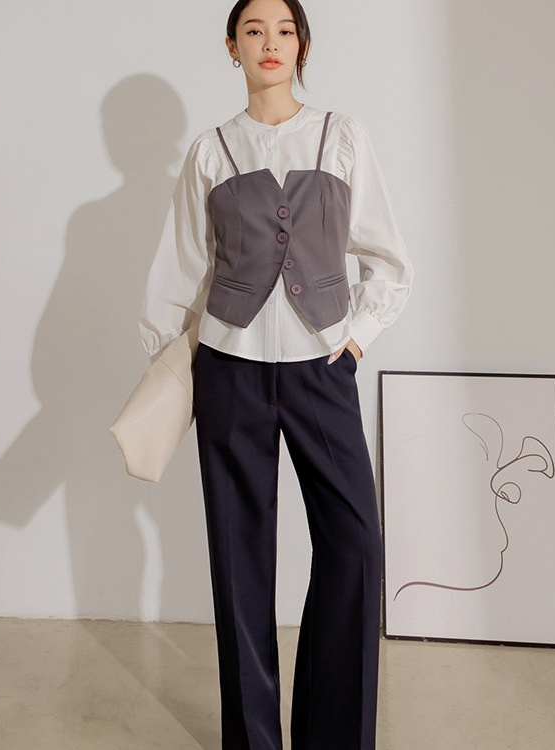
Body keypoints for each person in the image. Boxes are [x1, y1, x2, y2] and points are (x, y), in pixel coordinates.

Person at [138, 1, 415, 747]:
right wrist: (171, 362)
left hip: (321, 370)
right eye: (254, 31)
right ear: (232, 46)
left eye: (285, 30)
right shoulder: (210, 151)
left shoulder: (341, 135)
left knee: (355, 545)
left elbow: (389, 259)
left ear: (302, 44)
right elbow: (177, 272)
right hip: (229, 371)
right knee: (240, 564)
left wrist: (356, 340)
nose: (271, 43)